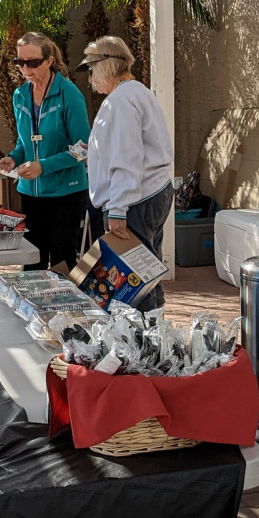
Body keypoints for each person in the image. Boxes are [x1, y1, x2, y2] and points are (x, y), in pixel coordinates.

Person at [78, 36, 174, 312]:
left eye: (91, 70)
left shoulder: (120, 100)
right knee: (147, 272)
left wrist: (118, 210)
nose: (90, 79)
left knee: (133, 282)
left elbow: (126, 157)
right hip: (150, 192)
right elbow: (130, 150)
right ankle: (154, 331)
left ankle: (143, 335)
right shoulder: (137, 92)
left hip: (134, 200)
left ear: (106, 65)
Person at [0, 32, 91, 272]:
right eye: (20, 62)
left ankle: (64, 298)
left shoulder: (69, 94)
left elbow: (84, 148)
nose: (26, 68)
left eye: (33, 62)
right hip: (31, 193)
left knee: (62, 261)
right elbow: (25, 141)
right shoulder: (20, 95)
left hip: (65, 193)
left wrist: (43, 166)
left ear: (49, 61)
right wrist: (13, 158)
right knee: (32, 260)